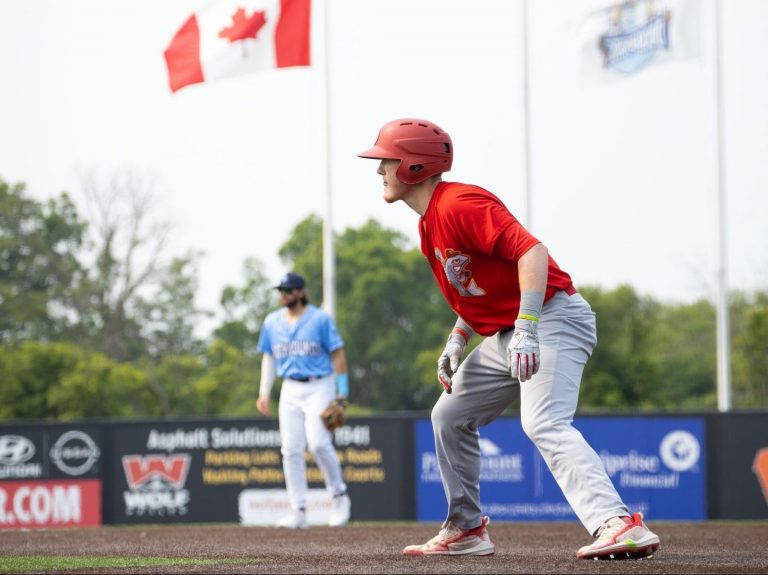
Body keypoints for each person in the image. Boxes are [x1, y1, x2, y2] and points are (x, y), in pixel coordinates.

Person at [358, 118, 661, 559]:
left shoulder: (459, 202)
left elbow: (531, 252)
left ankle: (617, 523)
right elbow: (477, 294)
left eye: (385, 160)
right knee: (448, 415)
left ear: (414, 166)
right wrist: (457, 341)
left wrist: (527, 326)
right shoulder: (429, 225)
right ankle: (465, 529)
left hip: (553, 316)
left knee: (543, 422)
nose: (378, 170)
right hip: (509, 330)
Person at [256, 271, 351, 528]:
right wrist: (264, 391)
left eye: (287, 290)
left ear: (300, 292)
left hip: (320, 384)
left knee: (319, 443)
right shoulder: (272, 321)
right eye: (281, 291)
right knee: (291, 449)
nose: (283, 295)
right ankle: (298, 510)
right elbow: (269, 357)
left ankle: (339, 496)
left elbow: (338, 354)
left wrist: (342, 394)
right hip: (290, 388)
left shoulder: (320, 319)